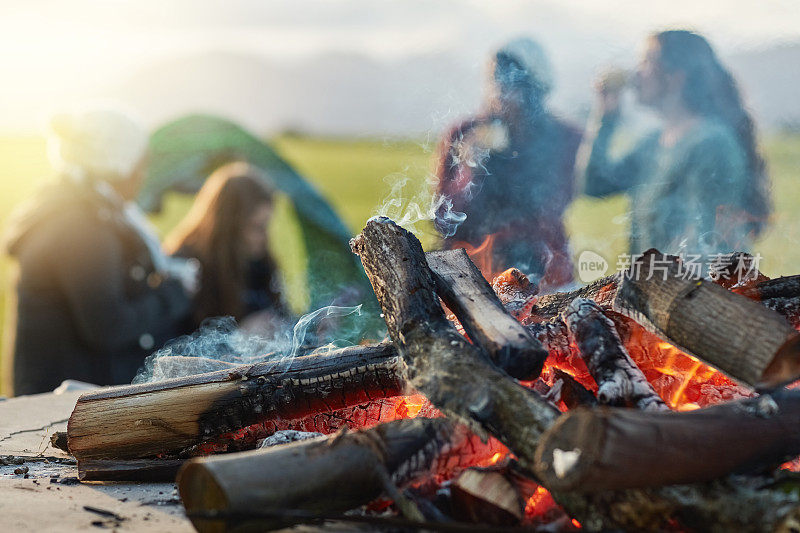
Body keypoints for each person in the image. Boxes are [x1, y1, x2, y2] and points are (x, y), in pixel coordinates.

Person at [3, 106, 196, 395]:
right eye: (140, 162)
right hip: (59, 403)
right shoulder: (81, 227)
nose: (144, 172)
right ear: (119, 164)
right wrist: (175, 293)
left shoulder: (84, 210)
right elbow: (109, 327)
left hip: (63, 391)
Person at [577, 30, 771, 259]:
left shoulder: (711, 145)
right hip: (657, 288)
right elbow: (594, 185)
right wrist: (606, 117)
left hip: (696, 291)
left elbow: (703, 245)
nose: (635, 73)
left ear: (676, 76)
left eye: (647, 61)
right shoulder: (653, 143)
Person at [435, 37, 581, 291]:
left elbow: (554, 203)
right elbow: (442, 218)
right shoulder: (464, 133)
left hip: (545, 273)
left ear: (537, 88)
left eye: (514, 83)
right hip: (473, 276)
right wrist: (471, 169)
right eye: (496, 79)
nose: (501, 91)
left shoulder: (564, 137)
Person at [164, 162, 290, 332]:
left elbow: (281, 315)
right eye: (256, 227)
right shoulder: (187, 266)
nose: (264, 237)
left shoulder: (261, 262)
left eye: (267, 226)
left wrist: (304, 332)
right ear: (230, 226)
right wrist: (240, 337)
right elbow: (174, 344)